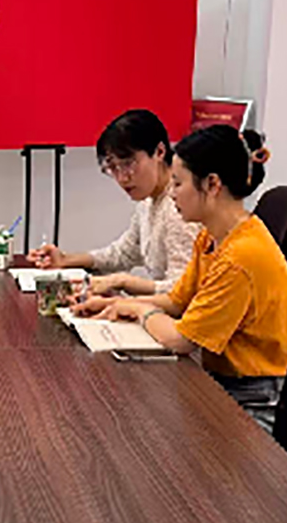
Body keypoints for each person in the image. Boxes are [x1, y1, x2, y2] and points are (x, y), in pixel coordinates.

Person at [75, 126, 287, 432]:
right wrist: (118, 304)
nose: (172, 193)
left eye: (178, 183)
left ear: (212, 184)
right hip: (218, 377)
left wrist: (139, 310)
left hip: (249, 397)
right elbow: (177, 300)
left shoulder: (241, 256)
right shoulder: (211, 238)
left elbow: (180, 339)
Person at [28, 109, 198, 295]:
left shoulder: (180, 207)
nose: (122, 178)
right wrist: (65, 259)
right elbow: (122, 254)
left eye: (128, 164)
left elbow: (182, 293)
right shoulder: (148, 200)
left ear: (159, 152)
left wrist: (122, 282)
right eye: (113, 168)